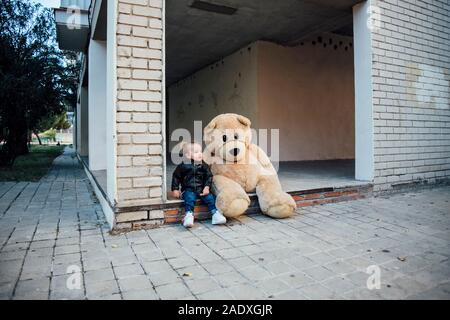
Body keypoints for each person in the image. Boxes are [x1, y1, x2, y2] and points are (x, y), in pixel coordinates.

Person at [171, 142, 227, 228]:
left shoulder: (203, 165)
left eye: (201, 151)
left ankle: (215, 214)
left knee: (210, 198)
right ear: (188, 155)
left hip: (201, 189)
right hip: (188, 189)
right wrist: (175, 189)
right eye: (196, 152)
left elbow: (209, 176)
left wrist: (207, 187)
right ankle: (189, 215)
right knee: (189, 199)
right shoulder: (183, 166)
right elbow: (176, 176)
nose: (200, 154)